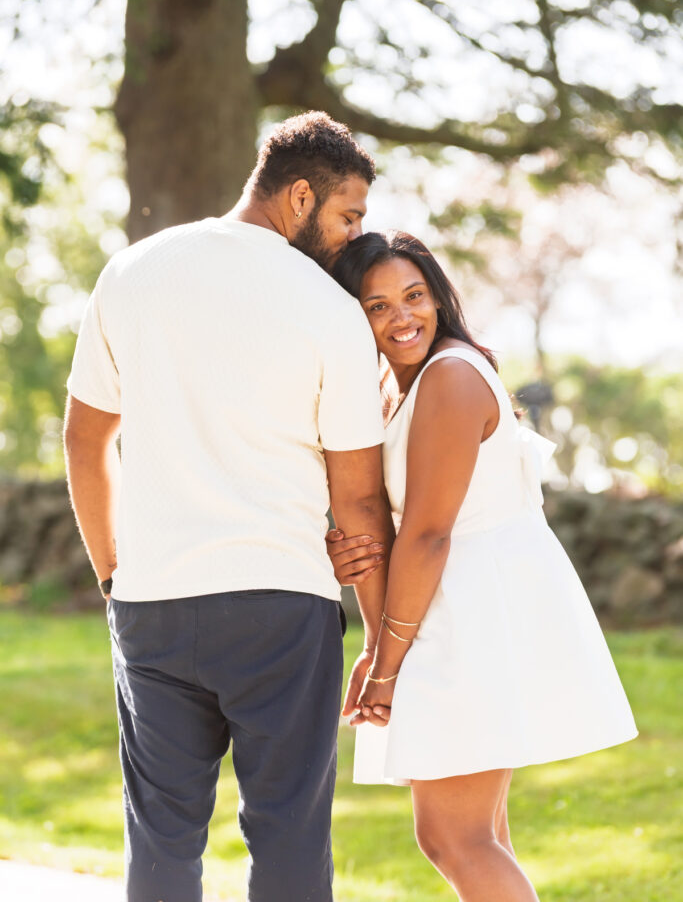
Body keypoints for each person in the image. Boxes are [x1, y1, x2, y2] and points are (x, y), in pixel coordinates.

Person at [63, 112, 395, 902]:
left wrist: (114, 572)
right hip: (282, 606)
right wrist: (382, 638)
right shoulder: (329, 310)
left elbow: (85, 440)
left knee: (162, 839)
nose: (352, 237)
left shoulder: (133, 270)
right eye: (348, 216)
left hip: (153, 604)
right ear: (300, 195)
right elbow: (356, 497)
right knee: (287, 832)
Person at [329, 230, 638, 902]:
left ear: (438, 299)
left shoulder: (448, 375)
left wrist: (385, 660)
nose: (400, 316)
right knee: (478, 835)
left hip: (470, 605)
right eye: (376, 306)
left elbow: (430, 532)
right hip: (458, 601)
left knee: (454, 837)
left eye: (413, 296)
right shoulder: (401, 387)